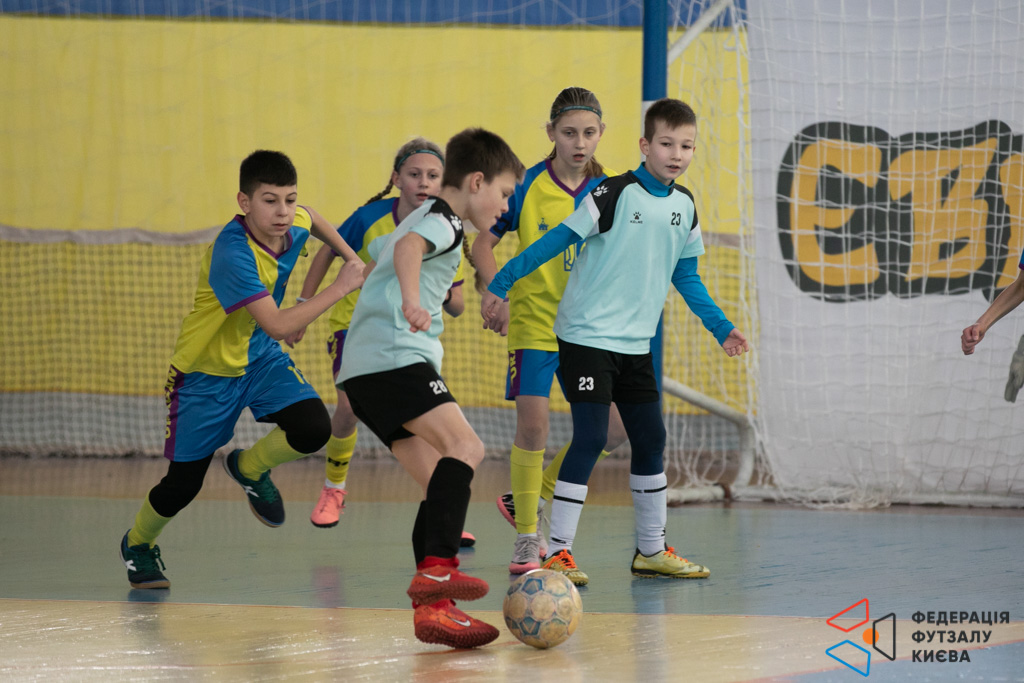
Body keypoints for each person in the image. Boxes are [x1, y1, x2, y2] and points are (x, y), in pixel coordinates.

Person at [481, 99, 749, 585]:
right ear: (645, 145)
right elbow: (556, 240)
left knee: (650, 439)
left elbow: (686, 275)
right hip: (585, 336)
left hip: (635, 343)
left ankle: (651, 550)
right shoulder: (613, 192)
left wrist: (720, 326)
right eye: (666, 144)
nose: (676, 154)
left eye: (686, 146)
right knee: (591, 436)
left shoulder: (685, 205)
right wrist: (501, 282)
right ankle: (557, 551)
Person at [118, 150, 366, 590]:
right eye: (270, 201)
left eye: (289, 199)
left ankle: (249, 468)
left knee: (313, 427)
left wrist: (351, 257)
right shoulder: (233, 254)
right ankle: (137, 543)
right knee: (183, 485)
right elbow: (279, 325)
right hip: (205, 373)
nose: (283, 211)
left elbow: (315, 218)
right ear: (244, 202)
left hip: (259, 357)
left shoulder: (292, 223)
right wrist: (340, 286)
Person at [338, 128, 525, 648]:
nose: (505, 206)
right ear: (477, 182)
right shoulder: (442, 220)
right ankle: (439, 571)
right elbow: (407, 251)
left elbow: (387, 249)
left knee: (435, 481)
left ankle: (433, 611)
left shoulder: (426, 216)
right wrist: (411, 300)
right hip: (394, 358)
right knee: (467, 447)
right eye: (504, 194)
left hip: (363, 371)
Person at [471, 86, 627, 576]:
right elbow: (482, 244)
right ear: (551, 133)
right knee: (534, 428)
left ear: (601, 134)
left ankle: (531, 496)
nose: (579, 143)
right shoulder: (526, 186)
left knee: (614, 430)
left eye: (589, 133)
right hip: (535, 323)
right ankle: (526, 538)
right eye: (569, 133)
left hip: (588, 329)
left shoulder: (614, 191)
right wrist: (494, 293)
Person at [287, 138, 471, 544]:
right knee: (349, 406)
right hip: (355, 325)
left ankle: (441, 504)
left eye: (433, 175)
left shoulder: (442, 225)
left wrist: (434, 291)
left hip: (408, 336)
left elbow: (457, 303)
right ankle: (334, 487)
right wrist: (304, 304)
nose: (423, 182)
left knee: (423, 423)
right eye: (414, 174)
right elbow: (329, 252)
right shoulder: (371, 217)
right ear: (396, 178)